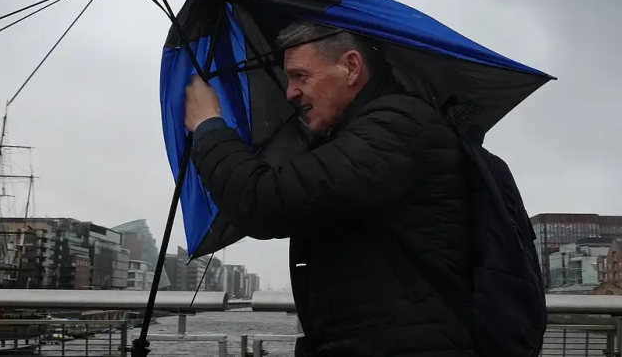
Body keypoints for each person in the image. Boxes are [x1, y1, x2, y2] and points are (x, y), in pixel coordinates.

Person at [184, 20, 475, 357]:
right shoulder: (369, 132)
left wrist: (208, 126)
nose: (290, 92)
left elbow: (265, 202)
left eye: (300, 76)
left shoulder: (397, 127)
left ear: (350, 67)